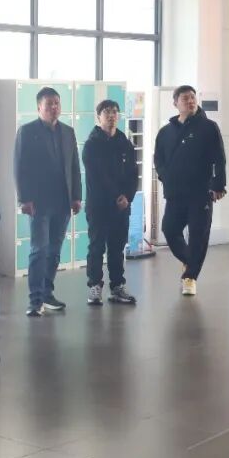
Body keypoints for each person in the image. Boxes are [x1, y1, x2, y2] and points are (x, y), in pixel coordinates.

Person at [14, 87, 82, 317]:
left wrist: (76, 196)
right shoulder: (27, 131)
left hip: (62, 201)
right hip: (39, 203)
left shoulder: (68, 132)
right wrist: (24, 198)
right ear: (39, 107)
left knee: (54, 251)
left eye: (56, 103)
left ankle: (47, 293)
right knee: (39, 250)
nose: (54, 107)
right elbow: (19, 167)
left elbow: (74, 166)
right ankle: (35, 300)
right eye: (49, 104)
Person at [153, 85, 227, 297]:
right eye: (185, 98)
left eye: (193, 97)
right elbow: (159, 159)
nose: (190, 101)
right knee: (169, 230)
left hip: (201, 192)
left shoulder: (209, 127)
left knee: (198, 235)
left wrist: (218, 185)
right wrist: (166, 177)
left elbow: (219, 158)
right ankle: (190, 260)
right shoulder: (165, 132)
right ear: (175, 103)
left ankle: (190, 277)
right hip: (175, 192)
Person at [83, 99, 138, 306]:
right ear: (98, 117)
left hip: (121, 206)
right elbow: (98, 176)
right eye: (107, 112)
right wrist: (117, 196)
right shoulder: (91, 145)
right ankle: (94, 286)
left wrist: (128, 196)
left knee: (117, 247)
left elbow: (133, 174)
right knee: (96, 246)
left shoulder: (125, 143)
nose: (112, 115)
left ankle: (117, 287)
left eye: (115, 111)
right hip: (99, 205)